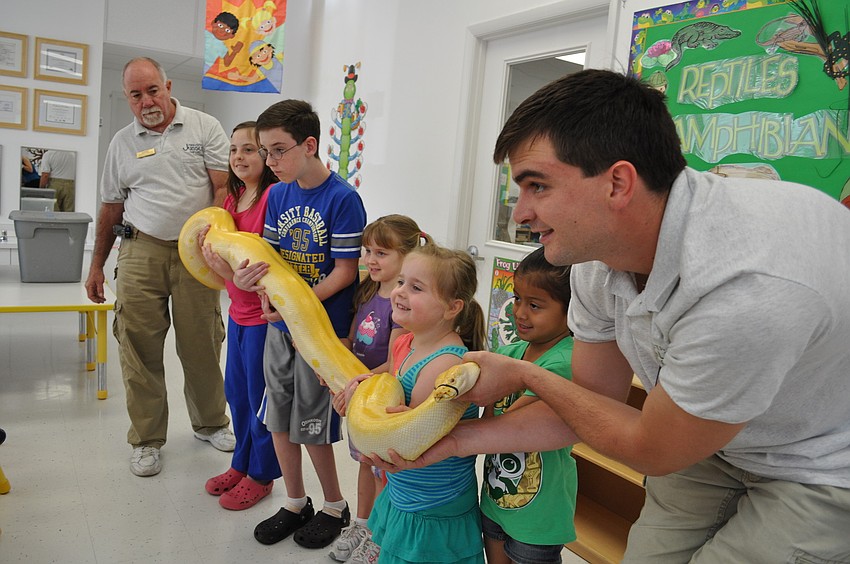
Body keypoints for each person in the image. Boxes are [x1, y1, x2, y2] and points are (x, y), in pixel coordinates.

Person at [371, 69, 850, 563]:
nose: (520, 214)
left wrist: (520, 372)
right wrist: (448, 443)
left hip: (821, 463)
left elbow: (652, 447)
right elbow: (591, 405)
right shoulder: (595, 266)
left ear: (618, 182)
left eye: (537, 186)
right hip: (716, 444)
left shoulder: (745, 287)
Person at [85, 57, 234, 478]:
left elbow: (224, 188)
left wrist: (217, 240)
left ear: (167, 86)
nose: (147, 100)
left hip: (197, 254)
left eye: (153, 90)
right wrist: (97, 266)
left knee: (202, 342)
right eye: (136, 95)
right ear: (129, 99)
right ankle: (147, 439)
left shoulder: (203, 127)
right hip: (139, 250)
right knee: (137, 347)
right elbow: (111, 207)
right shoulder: (121, 143)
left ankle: (210, 423)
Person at [236, 99, 367, 550]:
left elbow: (345, 272)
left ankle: (335, 505)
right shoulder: (277, 194)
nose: (270, 162)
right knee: (277, 418)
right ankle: (295, 501)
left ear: (309, 145)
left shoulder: (343, 199)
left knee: (312, 422)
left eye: (278, 151)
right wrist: (259, 290)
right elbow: (270, 262)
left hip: (321, 332)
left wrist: (294, 306)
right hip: (280, 328)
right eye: (265, 152)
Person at [341, 244, 488, 563]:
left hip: (431, 504)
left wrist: (361, 412)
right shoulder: (406, 341)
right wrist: (359, 387)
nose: (400, 292)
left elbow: (405, 439)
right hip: (403, 489)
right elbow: (388, 384)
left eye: (416, 287)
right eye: (401, 282)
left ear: (452, 308)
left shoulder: (445, 365)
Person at [328, 215, 431, 563]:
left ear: (407, 256)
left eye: (382, 253)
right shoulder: (368, 290)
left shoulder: (401, 307)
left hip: (380, 402)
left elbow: (394, 365)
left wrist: (357, 384)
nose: (370, 259)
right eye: (367, 251)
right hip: (359, 395)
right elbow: (352, 340)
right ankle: (362, 524)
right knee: (364, 464)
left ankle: (381, 537)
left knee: (383, 472)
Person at [198, 121, 282, 510]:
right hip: (237, 314)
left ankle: (261, 474)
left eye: (248, 149)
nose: (238, 157)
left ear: (265, 156)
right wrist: (214, 262)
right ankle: (241, 463)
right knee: (237, 395)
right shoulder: (231, 203)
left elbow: (266, 265)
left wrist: (230, 270)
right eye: (233, 150)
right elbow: (226, 269)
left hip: (264, 319)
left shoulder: (272, 198)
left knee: (260, 399)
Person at [480, 246, 577, 564]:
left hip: (539, 515)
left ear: (571, 310)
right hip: (495, 499)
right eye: (517, 299)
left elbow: (505, 423)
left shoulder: (564, 361)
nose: (520, 312)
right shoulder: (511, 352)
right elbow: (487, 412)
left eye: (535, 305)